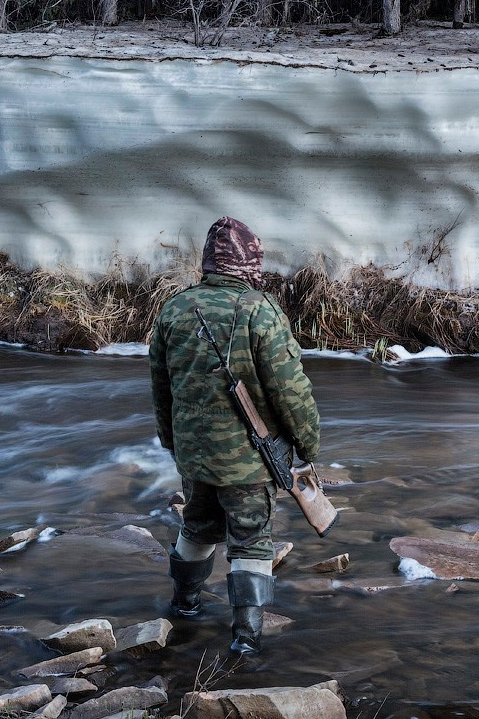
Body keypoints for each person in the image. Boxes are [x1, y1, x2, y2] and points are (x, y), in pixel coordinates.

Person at [149, 216, 321, 655]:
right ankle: (246, 638)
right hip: (250, 459)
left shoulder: (174, 308)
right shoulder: (260, 310)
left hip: (193, 454)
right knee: (251, 540)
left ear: (209, 261)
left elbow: (161, 388)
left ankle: (184, 605)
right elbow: (291, 390)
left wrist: (173, 443)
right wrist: (309, 444)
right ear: (251, 261)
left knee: (197, 526)